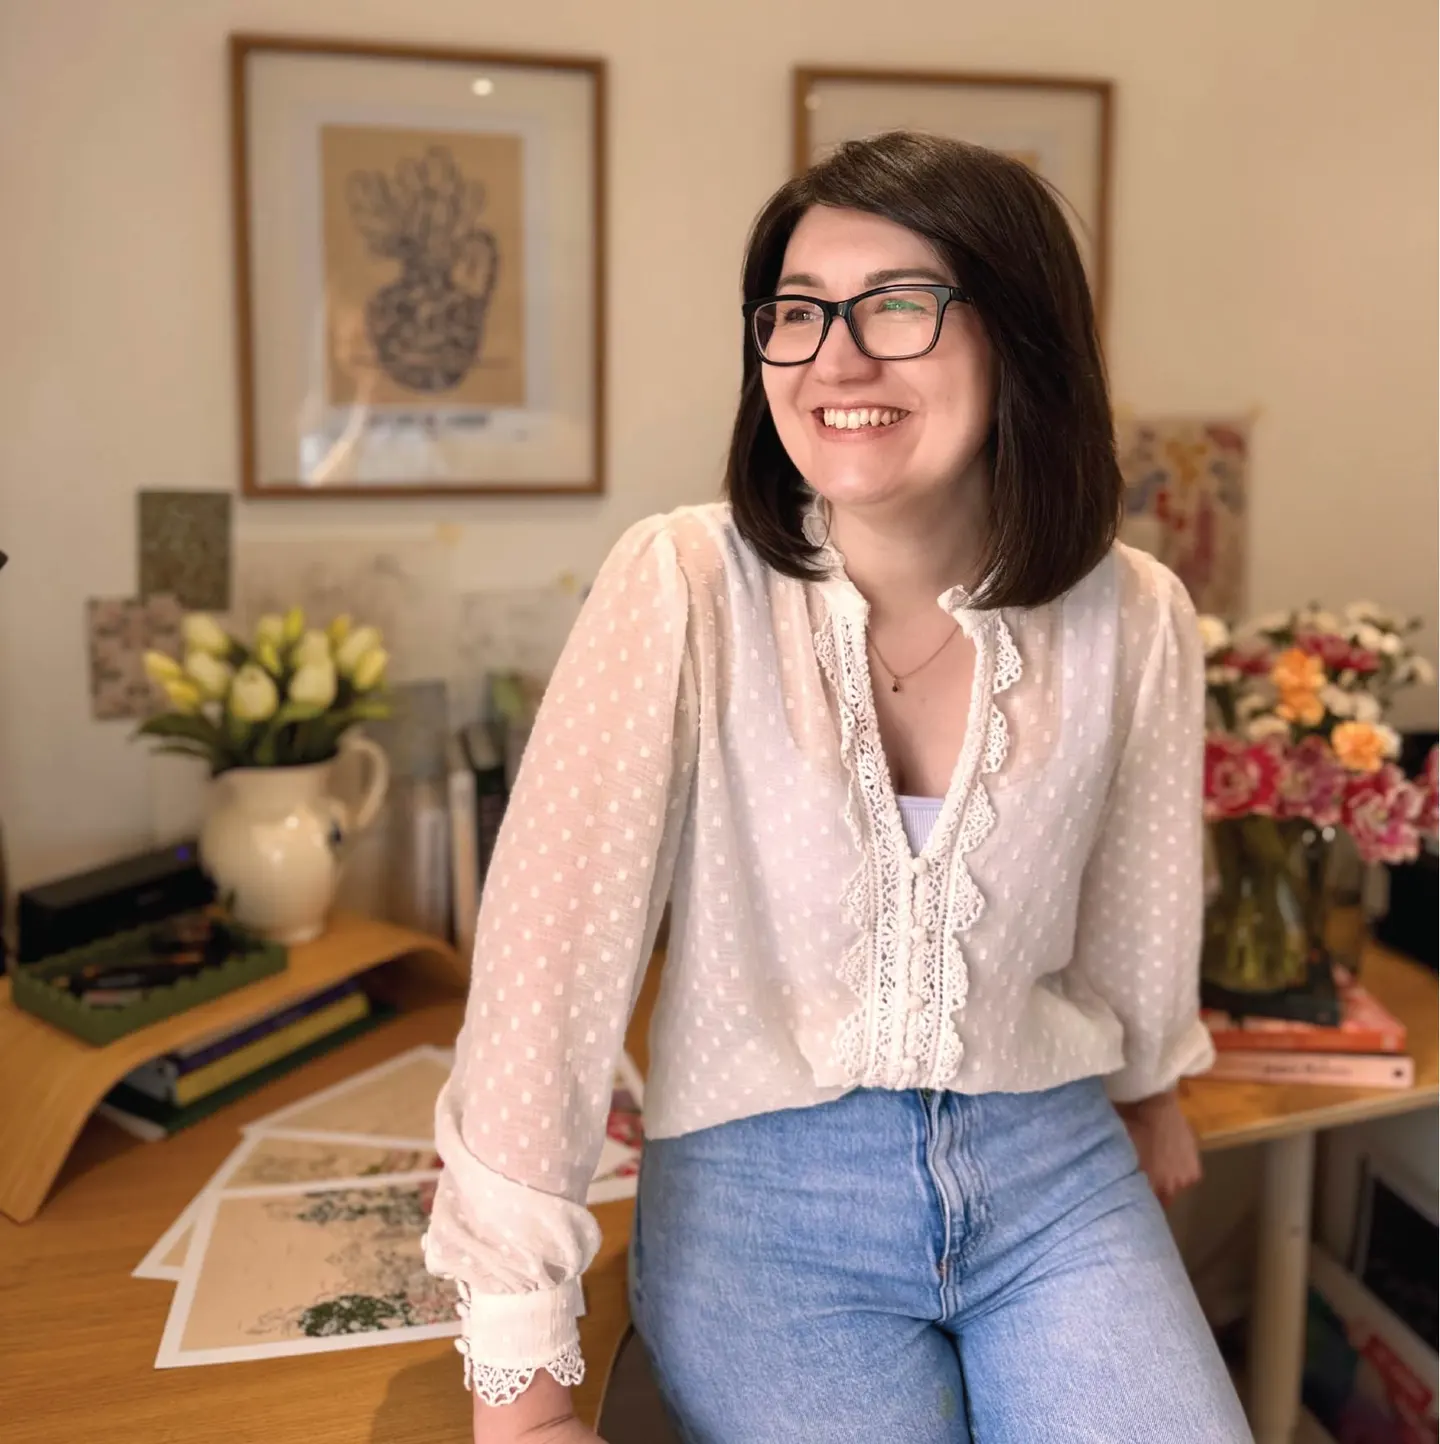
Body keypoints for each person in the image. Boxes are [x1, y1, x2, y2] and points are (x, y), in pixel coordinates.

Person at [424, 130, 1254, 1444]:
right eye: (798, 312)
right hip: (765, 1208)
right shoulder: (683, 585)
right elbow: (545, 985)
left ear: (1020, 337)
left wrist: (1153, 1088)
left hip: (1056, 1177)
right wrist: (523, 1396)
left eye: (899, 305)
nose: (835, 359)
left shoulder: (1136, 611)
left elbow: (1137, 908)